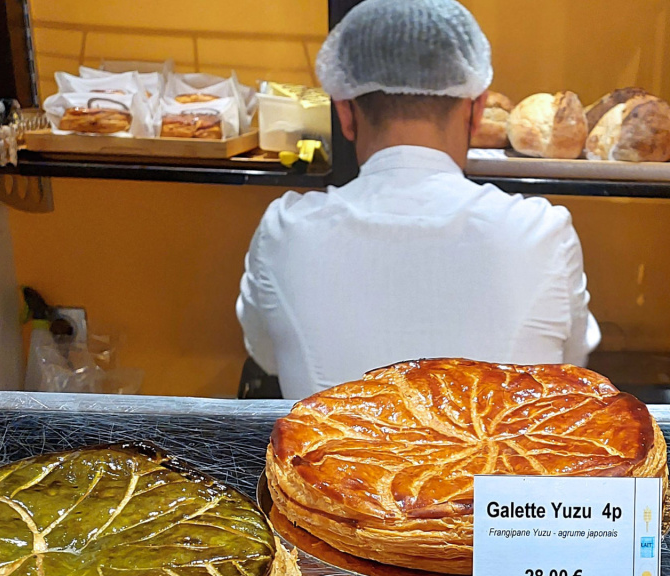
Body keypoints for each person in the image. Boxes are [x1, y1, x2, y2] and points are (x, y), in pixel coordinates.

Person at [235, 0, 600, 402]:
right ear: (476, 111)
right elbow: (571, 369)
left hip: (329, 446)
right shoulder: (543, 233)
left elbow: (267, 356)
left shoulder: (286, 232)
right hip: (499, 447)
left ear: (346, 115)